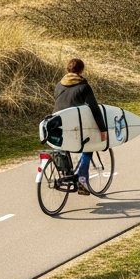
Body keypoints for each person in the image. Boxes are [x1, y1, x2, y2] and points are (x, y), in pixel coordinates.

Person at [53, 58, 107, 195]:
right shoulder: (84, 86)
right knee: (89, 147)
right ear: (81, 70)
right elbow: (94, 109)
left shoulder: (59, 85)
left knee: (64, 147)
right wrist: (102, 129)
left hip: (57, 126)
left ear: (67, 70)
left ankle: (66, 174)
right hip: (75, 127)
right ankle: (82, 180)